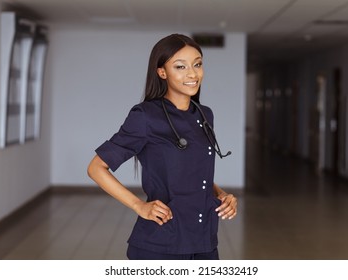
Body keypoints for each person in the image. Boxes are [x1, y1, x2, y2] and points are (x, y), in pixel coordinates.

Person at [87, 34, 237, 260]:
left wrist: (222, 195)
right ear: (162, 72)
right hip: (163, 243)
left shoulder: (205, 115)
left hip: (204, 240)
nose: (192, 74)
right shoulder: (146, 116)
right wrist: (139, 206)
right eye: (180, 66)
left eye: (197, 64)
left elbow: (193, 169)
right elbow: (96, 168)